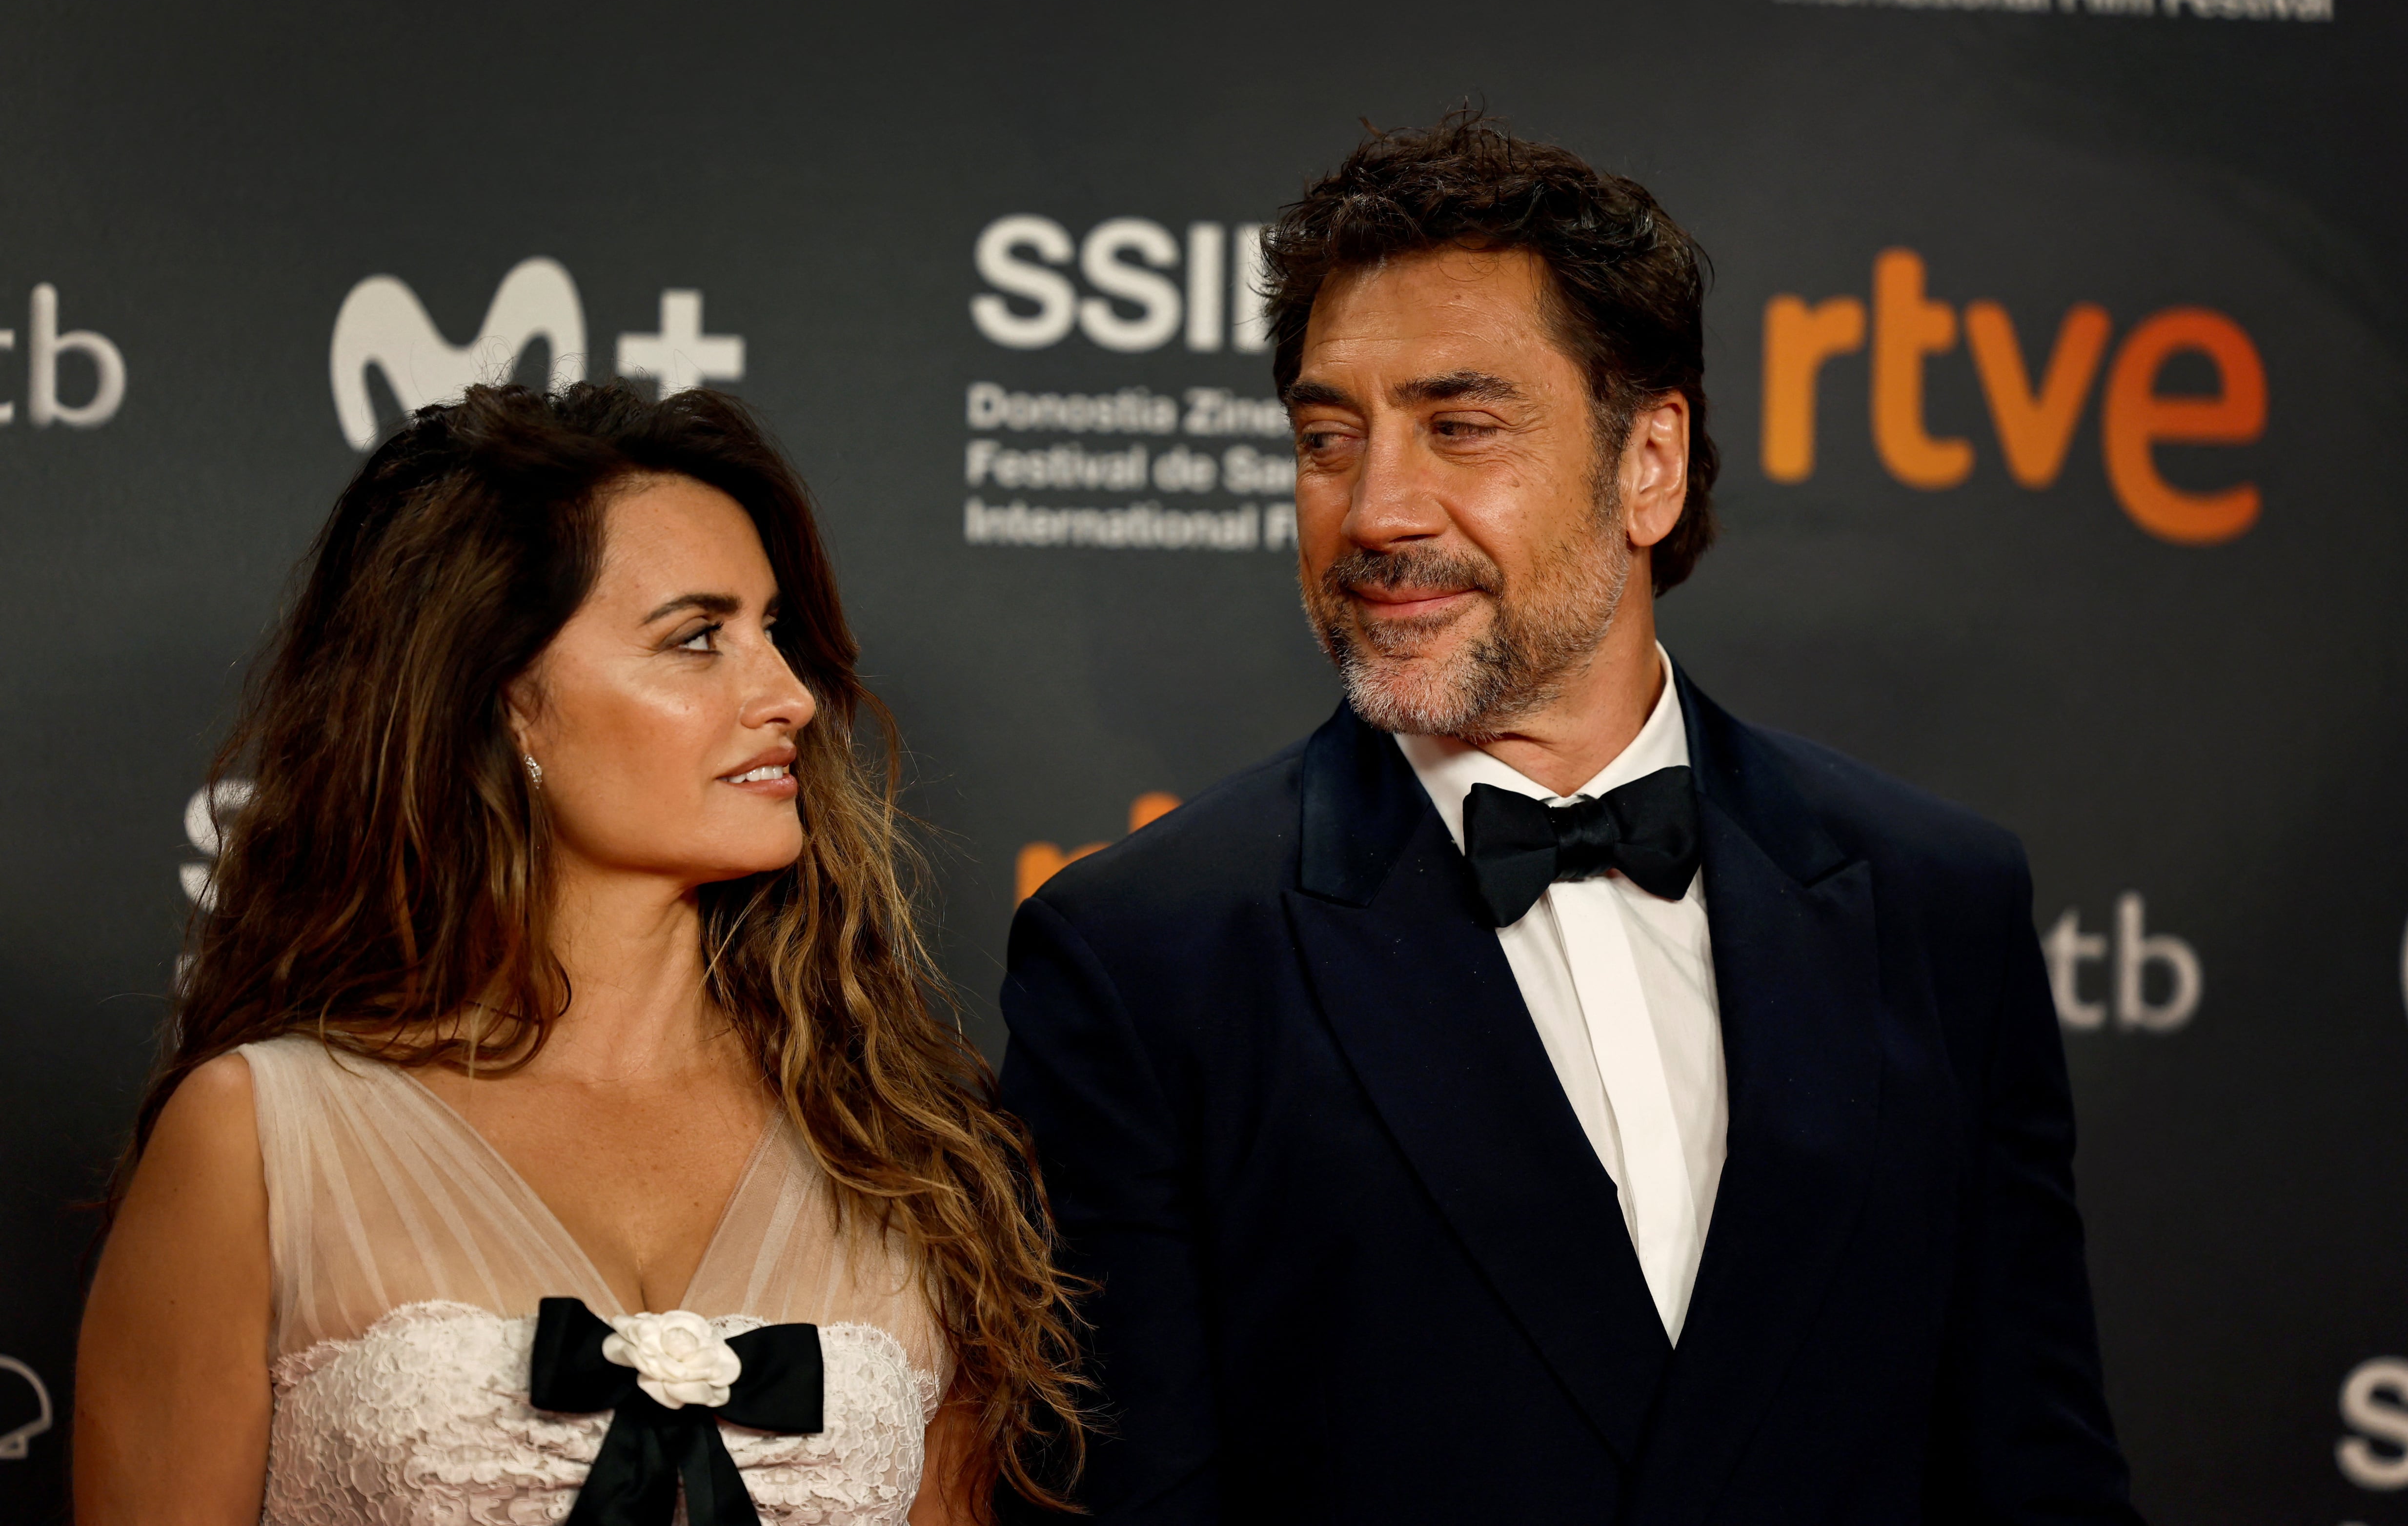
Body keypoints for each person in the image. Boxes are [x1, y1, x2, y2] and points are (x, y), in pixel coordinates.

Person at [997, 117, 2142, 1524]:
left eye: (1459, 425)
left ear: (1648, 461)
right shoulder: (1145, 955)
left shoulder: (1933, 897)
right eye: (1324, 438)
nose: (1374, 509)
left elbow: (2037, 1472)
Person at [77, 384, 1086, 1526]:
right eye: (698, 638)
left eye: (775, 633)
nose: (790, 696)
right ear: (510, 701)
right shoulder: (259, 1136)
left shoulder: (904, 1155)